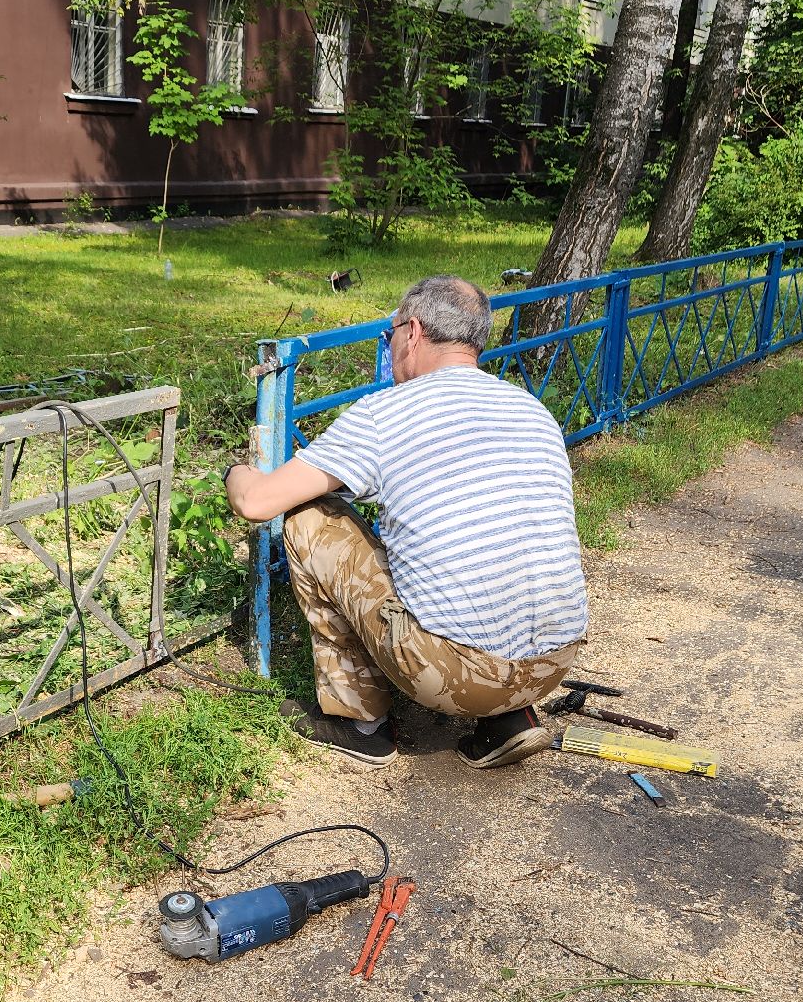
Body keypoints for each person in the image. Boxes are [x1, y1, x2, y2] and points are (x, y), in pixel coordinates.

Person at [225, 275, 590, 770]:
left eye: (389, 333)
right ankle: (506, 720)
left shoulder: (385, 414)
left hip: (453, 675)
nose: (388, 344)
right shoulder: (531, 409)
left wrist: (238, 473)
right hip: (554, 665)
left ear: (413, 331)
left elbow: (259, 503)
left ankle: (360, 724)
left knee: (310, 521)